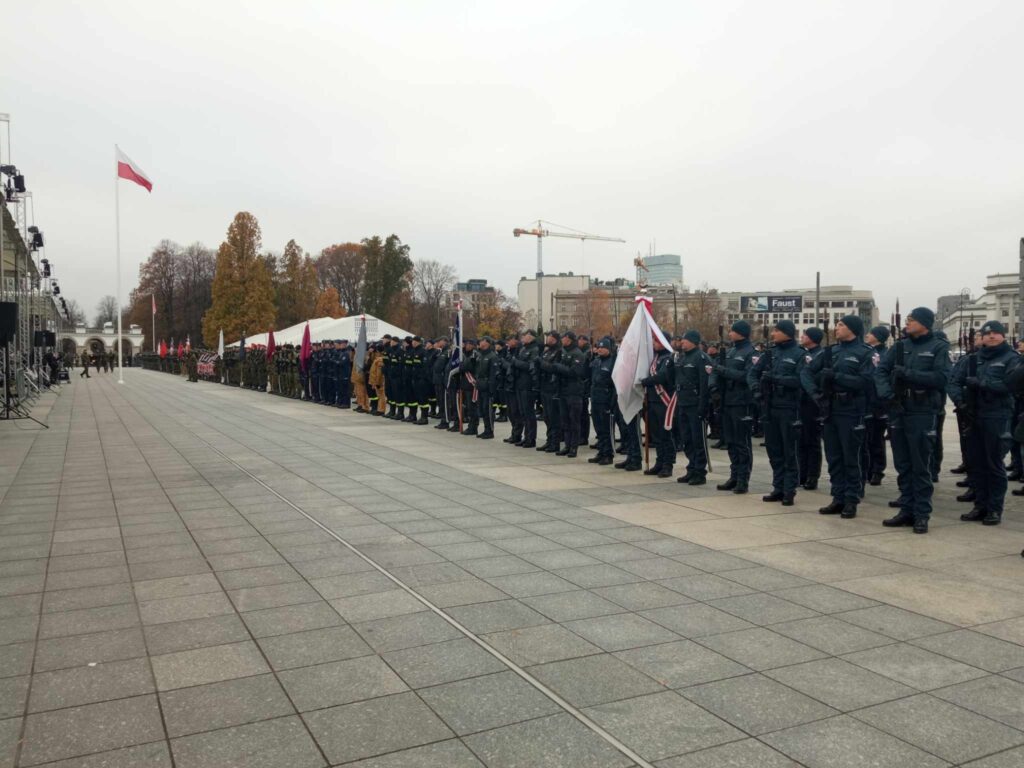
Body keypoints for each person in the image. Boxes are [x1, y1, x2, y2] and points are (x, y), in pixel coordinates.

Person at [875, 307, 951, 533]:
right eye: (907, 319)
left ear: (925, 323)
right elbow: (880, 372)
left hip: (922, 410)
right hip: (899, 409)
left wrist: (910, 375)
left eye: (912, 320)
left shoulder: (938, 347)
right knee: (903, 464)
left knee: (920, 465)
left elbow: (942, 378)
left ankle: (921, 513)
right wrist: (887, 395)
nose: (907, 323)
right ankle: (906, 509)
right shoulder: (899, 347)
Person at [948, 320, 1019, 526]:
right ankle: (980, 505)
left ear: (1003, 336)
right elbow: (953, 382)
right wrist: (960, 402)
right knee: (976, 463)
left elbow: (1009, 385)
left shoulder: (1011, 359)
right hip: (973, 414)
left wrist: (982, 384)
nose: (991, 336)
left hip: (997, 415)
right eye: (987, 334)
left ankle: (994, 508)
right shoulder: (972, 360)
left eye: (996, 333)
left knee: (994, 463)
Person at [803, 315, 874, 519]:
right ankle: (838, 497)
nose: (837, 328)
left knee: (851, 457)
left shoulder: (865, 353)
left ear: (853, 328)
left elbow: (866, 381)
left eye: (841, 325)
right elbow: (806, 373)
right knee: (834, 457)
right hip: (830, 408)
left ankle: (851, 499)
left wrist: (838, 377)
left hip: (852, 410)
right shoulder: (830, 352)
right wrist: (816, 394)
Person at [750, 320, 803, 505]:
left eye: (777, 330)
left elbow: (800, 380)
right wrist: (756, 388)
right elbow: (753, 373)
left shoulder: (799, 354)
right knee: (774, 450)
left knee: (789, 451)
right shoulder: (770, 353)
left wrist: (777, 378)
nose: (773, 333)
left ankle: (789, 489)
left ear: (787, 333)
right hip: (769, 406)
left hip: (789, 408)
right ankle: (778, 487)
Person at [711, 321, 755, 493]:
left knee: (741, 442)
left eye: (733, 331)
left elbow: (747, 376)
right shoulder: (730, 351)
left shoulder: (750, 353)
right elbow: (716, 371)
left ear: (741, 333)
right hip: (727, 401)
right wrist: (714, 385)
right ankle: (734, 475)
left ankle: (743, 479)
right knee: (730, 441)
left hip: (741, 402)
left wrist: (723, 371)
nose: (729, 333)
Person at [674, 329, 710, 485]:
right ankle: (691, 468)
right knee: (686, 439)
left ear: (694, 341)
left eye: (685, 340)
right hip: (683, 403)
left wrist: (703, 406)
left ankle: (699, 472)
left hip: (695, 405)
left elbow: (704, 384)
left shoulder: (701, 358)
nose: (682, 342)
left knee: (697, 440)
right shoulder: (682, 358)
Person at [640, 333, 676, 478]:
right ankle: (659, 462)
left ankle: (668, 464)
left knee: (665, 434)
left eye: (657, 341)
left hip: (664, 401)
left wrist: (644, 381)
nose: (654, 343)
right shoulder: (655, 358)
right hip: (653, 401)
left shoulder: (669, 358)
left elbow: (662, 376)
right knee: (656, 435)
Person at [798, 328, 825, 489]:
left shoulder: (820, 355)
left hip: (813, 402)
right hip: (801, 401)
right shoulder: (803, 354)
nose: (802, 337)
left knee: (812, 440)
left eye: (805, 335)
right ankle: (802, 473)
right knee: (801, 440)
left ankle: (812, 476)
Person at [862, 326, 890, 486]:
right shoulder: (866, 352)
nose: (867, 334)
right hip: (865, 402)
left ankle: (877, 470)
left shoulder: (885, 355)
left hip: (878, 403)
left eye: (871, 333)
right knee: (865, 439)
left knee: (876, 439)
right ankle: (868, 468)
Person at [553, 331, 586, 457]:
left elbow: (574, 372)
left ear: (570, 339)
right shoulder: (563, 352)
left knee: (574, 420)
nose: (562, 340)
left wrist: (559, 367)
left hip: (574, 391)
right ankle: (567, 445)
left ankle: (574, 447)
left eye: (564, 338)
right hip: (563, 390)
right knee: (565, 420)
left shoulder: (577, 353)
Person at [588, 337, 616, 465]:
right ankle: (601, 451)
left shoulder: (612, 362)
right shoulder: (596, 361)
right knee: (598, 428)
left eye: (602, 347)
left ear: (609, 349)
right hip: (595, 398)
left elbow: (614, 383)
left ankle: (608, 454)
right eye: (598, 347)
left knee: (606, 429)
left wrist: (611, 401)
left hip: (606, 398)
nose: (599, 350)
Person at [512, 329, 540, 448]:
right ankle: (526, 436)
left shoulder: (535, 349)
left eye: (526, 335)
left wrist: (516, 363)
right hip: (520, 383)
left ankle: (531, 438)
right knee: (523, 412)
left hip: (528, 384)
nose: (523, 337)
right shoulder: (523, 348)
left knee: (529, 413)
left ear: (532, 337)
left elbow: (530, 366)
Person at [537, 332, 563, 453]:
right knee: (547, 416)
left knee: (554, 417)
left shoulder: (559, 352)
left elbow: (554, 368)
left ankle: (555, 442)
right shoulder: (546, 351)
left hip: (552, 387)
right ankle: (549, 440)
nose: (548, 339)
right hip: (544, 386)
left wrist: (541, 363)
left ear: (556, 339)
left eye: (550, 338)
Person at [473, 337, 498, 439]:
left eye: (483, 341)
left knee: (488, 410)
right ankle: (485, 429)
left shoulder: (492, 356)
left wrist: (491, 389)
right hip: (480, 385)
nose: (480, 342)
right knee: (482, 410)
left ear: (487, 343)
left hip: (487, 386)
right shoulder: (480, 355)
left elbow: (493, 374)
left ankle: (490, 431)